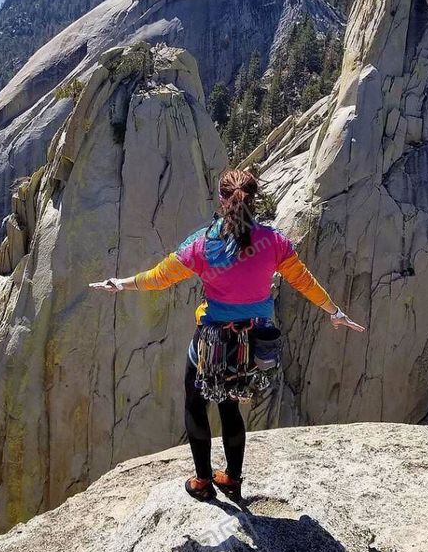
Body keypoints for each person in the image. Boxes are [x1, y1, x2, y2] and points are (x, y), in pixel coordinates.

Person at [90, 168, 364, 501]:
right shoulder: (273, 242)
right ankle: (232, 480)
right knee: (231, 407)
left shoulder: (203, 245)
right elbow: (304, 281)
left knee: (195, 405)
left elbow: (160, 277)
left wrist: (121, 284)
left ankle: (203, 481)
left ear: (222, 201)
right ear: (255, 200)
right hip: (254, 345)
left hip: (213, 343)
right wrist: (334, 312)